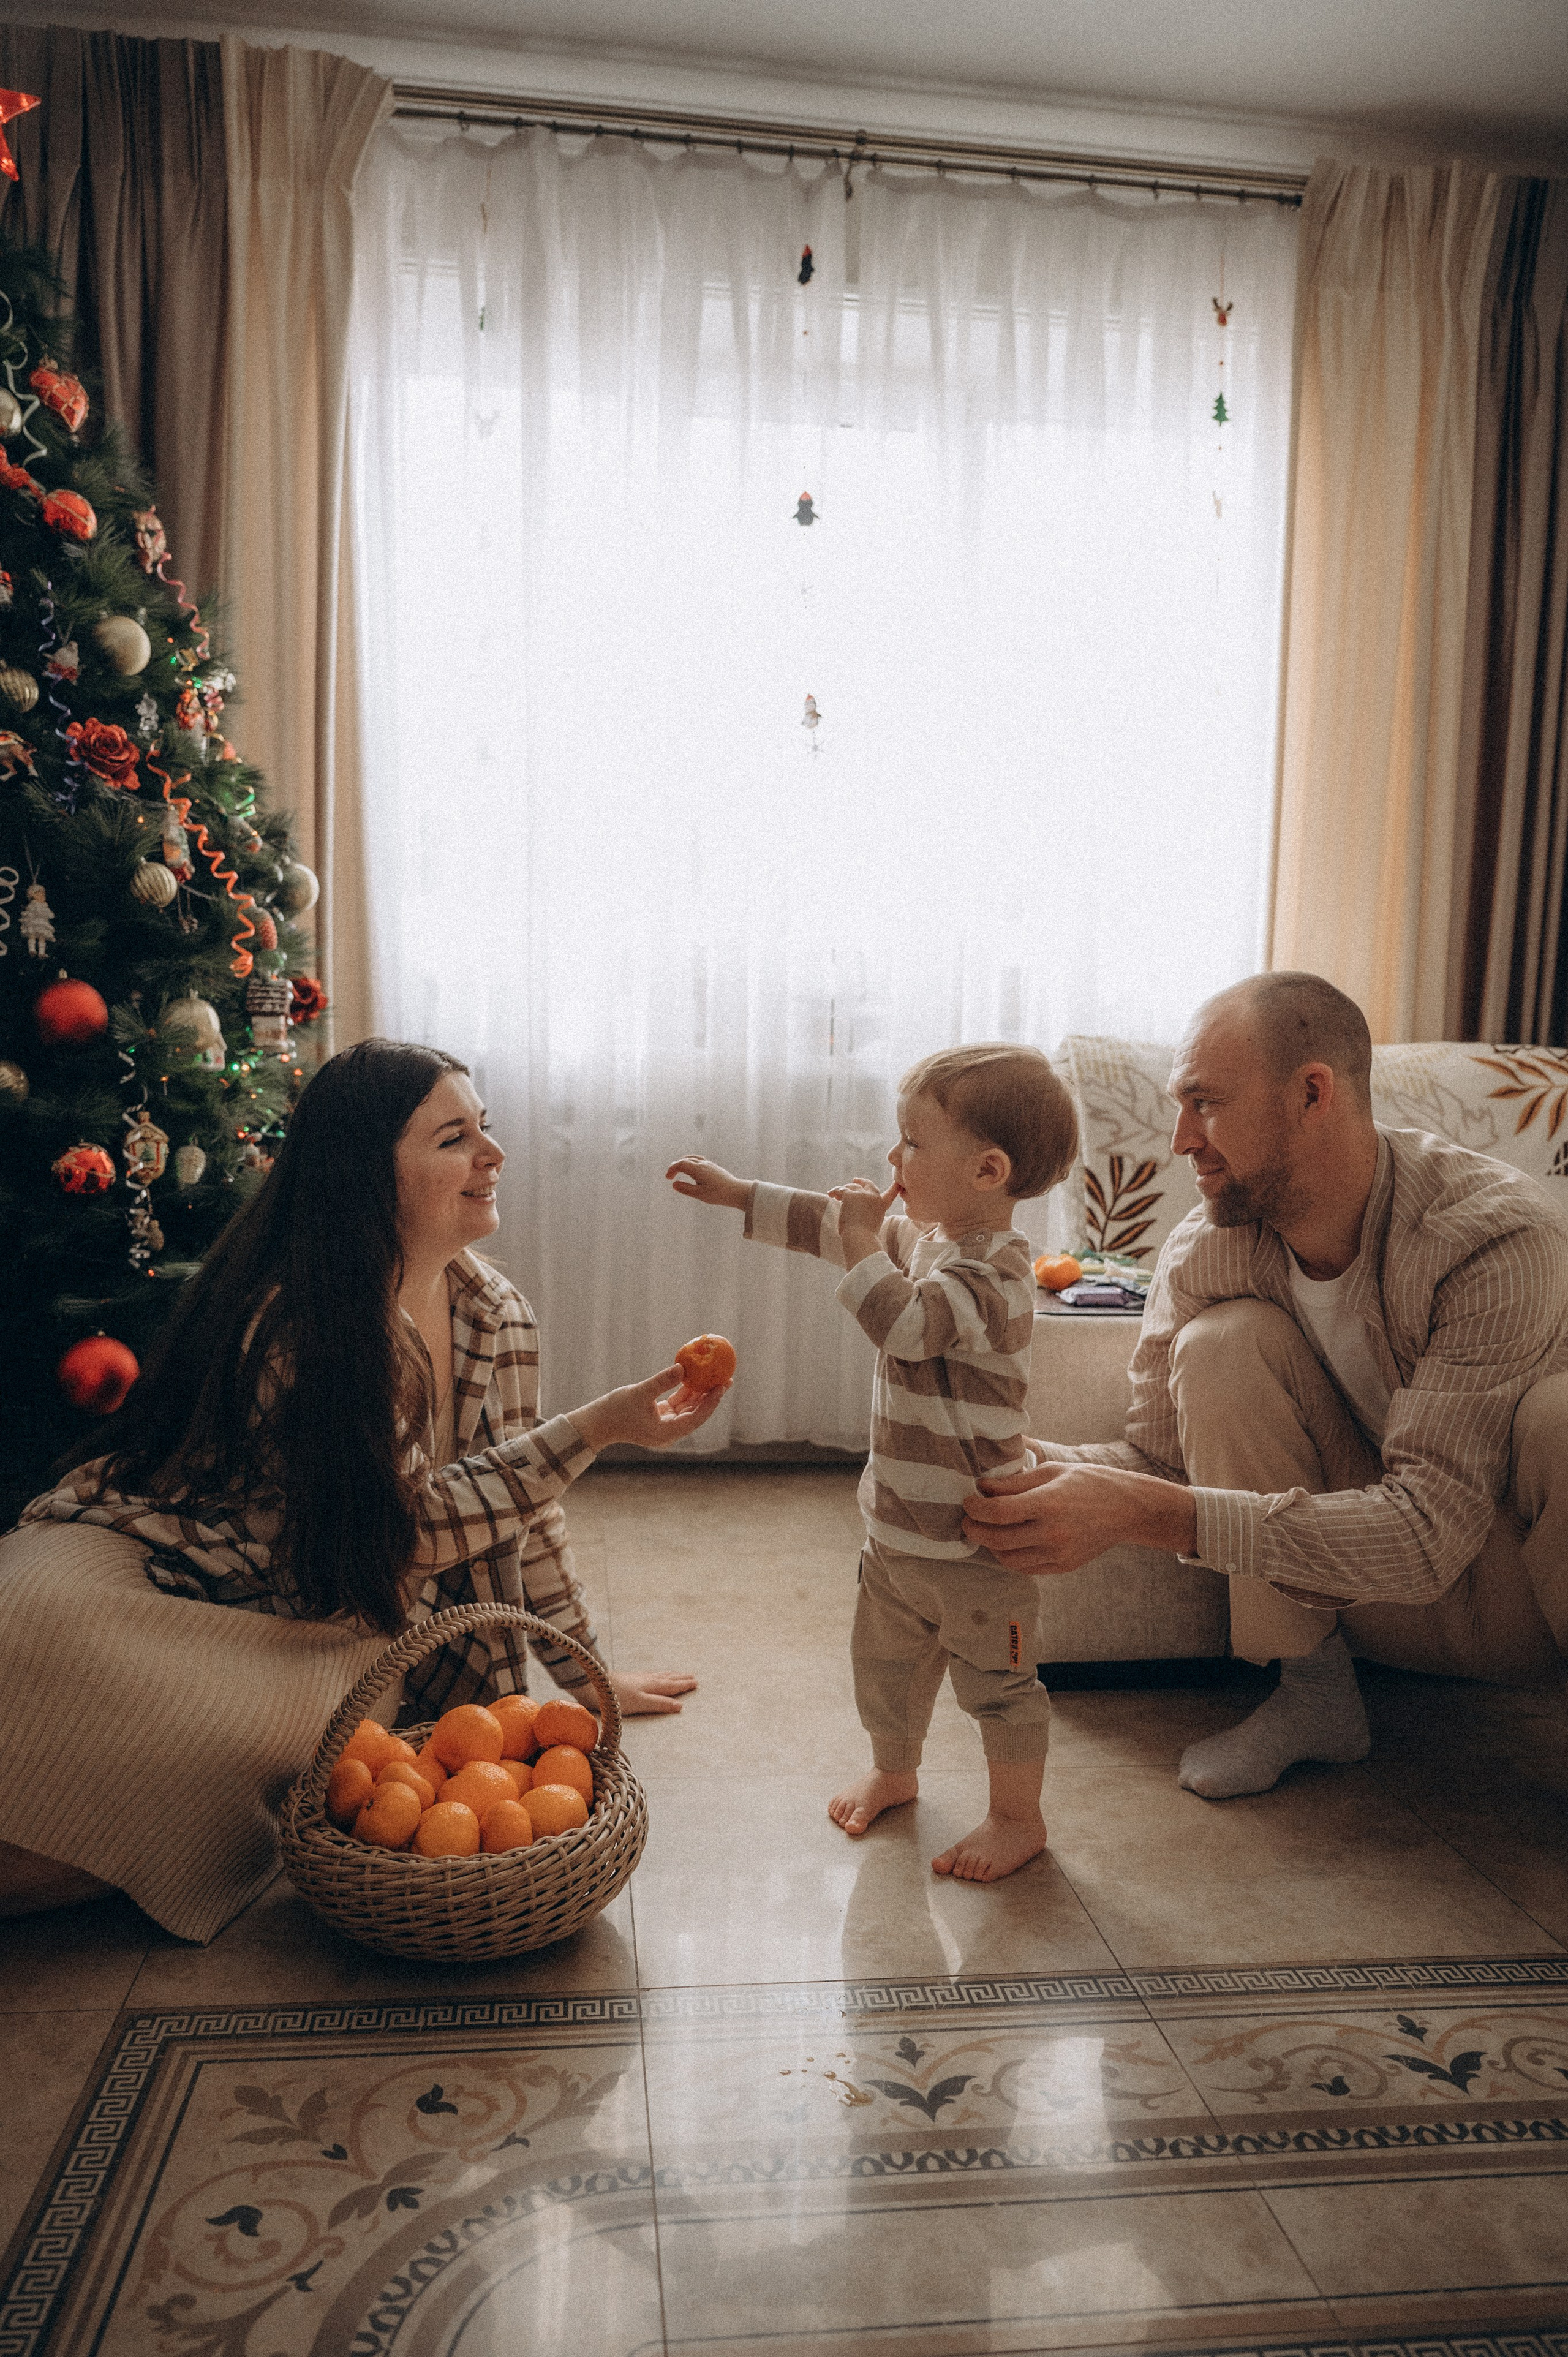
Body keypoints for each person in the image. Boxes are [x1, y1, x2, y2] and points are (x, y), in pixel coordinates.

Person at [0, 1038, 726, 1931]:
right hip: (178, 1558)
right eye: (454, 1138)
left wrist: (586, 1671)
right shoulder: (301, 1326)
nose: (493, 1157)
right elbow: (405, 1532)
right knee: (32, 1615)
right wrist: (593, 1431)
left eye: (485, 1130)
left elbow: (519, 1507)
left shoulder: (494, 1314)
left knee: (243, 1769)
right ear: (365, 1173)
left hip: (326, 1613)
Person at [962, 974, 1568, 1797]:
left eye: (1205, 1103)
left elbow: (1431, 1538)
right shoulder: (1209, 1247)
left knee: (1560, 1420)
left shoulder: (1491, 1234)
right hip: (1355, 1592)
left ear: (1312, 1094)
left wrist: (1139, 1513)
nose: (1181, 1139)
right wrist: (1019, 1460)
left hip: (1517, 1603)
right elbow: (1163, 1461)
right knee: (1225, 1345)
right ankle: (1315, 1697)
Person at [668, 1044, 1079, 1882]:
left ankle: (1016, 1817)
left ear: (988, 1170)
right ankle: (896, 1770)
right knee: (885, 1670)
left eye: (913, 1145)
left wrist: (864, 1245)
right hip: (896, 1533)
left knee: (998, 1686)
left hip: (978, 1550)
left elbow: (908, 1328)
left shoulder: (997, 1275)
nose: (894, 1160)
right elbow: (833, 1227)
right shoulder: (928, 1242)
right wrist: (740, 1193)